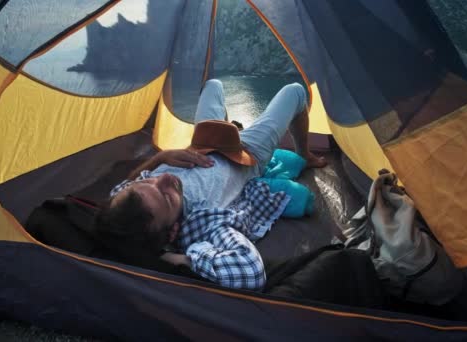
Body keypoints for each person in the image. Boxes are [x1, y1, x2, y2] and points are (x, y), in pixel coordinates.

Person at [95, 79, 326, 291]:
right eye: (167, 197)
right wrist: (181, 259)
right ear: (174, 230)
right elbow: (251, 272)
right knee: (295, 92)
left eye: (147, 180)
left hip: (205, 143)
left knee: (213, 85)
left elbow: (127, 183)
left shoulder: (125, 203)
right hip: (247, 153)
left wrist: (159, 159)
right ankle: (305, 154)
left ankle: (229, 129)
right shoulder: (203, 222)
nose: (164, 179)